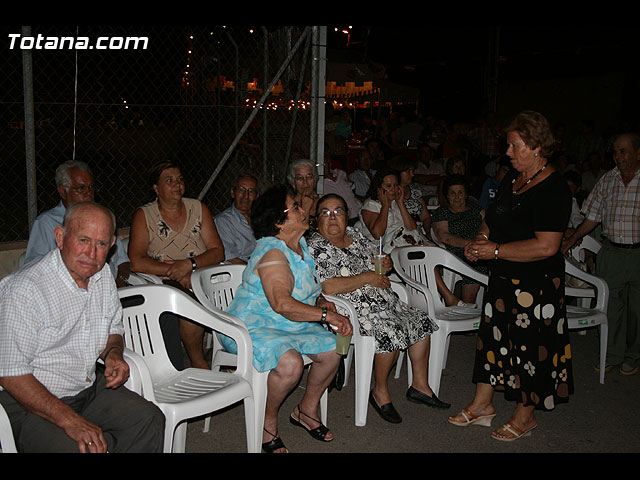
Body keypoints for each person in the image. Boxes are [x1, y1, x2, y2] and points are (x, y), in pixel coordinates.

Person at [0, 202, 165, 453]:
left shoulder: (102, 276)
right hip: (28, 402)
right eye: (84, 240)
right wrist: (70, 420)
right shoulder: (25, 290)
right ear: (60, 237)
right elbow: (11, 373)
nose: (91, 253)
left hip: (84, 387)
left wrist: (113, 354)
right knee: (80, 447)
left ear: (112, 245)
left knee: (148, 420)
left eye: (101, 244)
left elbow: (113, 328)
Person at [449, 110, 573, 442]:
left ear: (536, 147)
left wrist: (496, 251)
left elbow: (547, 245)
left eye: (514, 145)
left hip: (536, 284)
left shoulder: (554, 188)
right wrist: (481, 240)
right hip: (503, 278)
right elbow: (492, 218)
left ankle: (525, 414)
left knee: (531, 349)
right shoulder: (513, 180)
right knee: (493, 341)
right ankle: (482, 403)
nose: (507, 152)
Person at [219, 185, 351, 453]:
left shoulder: (299, 247)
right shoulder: (272, 253)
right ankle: (266, 424)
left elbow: (306, 291)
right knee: (290, 364)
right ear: (278, 222)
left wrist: (320, 302)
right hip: (251, 326)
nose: (304, 210)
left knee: (332, 350)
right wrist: (326, 315)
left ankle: (306, 410)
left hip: (288, 324)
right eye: (296, 206)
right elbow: (282, 303)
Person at [308, 194, 450, 424]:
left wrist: (385, 263)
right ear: (317, 220)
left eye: (338, 211)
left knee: (420, 319)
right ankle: (380, 390)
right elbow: (328, 286)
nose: (333, 217)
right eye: (326, 212)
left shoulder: (354, 235)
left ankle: (419, 386)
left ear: (346, 216)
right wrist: (368, 277)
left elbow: (376, 256)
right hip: (351, 309)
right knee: (390, 330)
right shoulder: (317, 245)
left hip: (383, 300)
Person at [128, 161, 225, 370]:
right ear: (156, 188)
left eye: (180, 179)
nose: (177, 184)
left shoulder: (198, 209)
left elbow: (217, 251)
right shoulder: (145, 216)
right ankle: (198, 362)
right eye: (169, 180)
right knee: (186, 299)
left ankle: (230, 352)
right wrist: (175, 271)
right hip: (162, 279)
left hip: (199, 273)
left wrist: (189, 265)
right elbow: (136, 261)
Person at [562, 133, 640, 376]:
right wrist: (572, 238)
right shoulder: (608, 179)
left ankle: (633, 355)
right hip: (612, 251)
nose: (618, 156)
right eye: (615, 152)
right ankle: (612, 354)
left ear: (638, 153)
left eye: (624, 151)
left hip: (637, 252)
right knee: (611, 305)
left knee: (636, 309)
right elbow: (592, 217)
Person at [24, 160, 131, 287]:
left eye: (91, 187)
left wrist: (119, 284)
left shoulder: (101, 219)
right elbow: (33, 267)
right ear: (63, 191)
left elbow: (123, 261)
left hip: (109, 287)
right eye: (81, 188)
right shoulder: (46, 223)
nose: (89, 193)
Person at [432, 174, 488, 306]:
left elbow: (490, 224)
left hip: (478, 248)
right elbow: (443, 236)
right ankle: (468, 304)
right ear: (447, 195)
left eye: (460, 192)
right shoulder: (443, 212)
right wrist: (470, 244)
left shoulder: (476, 210)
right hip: (454, 250)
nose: (456, 197)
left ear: (466, 194)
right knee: (472, 261)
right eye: (452, 193)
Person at [356, 167, 429, 253]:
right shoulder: (370, 205)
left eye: (396, 185)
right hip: (383, 250)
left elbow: (412, 227)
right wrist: (385, 206)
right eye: (388, 186)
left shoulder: (395, 202)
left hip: (405, 243)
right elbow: (377, 234)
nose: (393, 189)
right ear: (379, 188)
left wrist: (400, 203)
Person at [214, 173, 259, 264]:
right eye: (241, 190)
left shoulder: (259, 218)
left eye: (251, 191)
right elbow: (231, 258)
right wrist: (254, 270)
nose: (246, 196)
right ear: (233, 192)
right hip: (240, 269)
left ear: (256, 196)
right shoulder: (223, 221)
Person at [389, 155, 433, 238]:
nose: (412, 174)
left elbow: (426, 217)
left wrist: (428, 232)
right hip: (399, 235)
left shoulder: (415, 191)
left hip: (419, 233)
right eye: (408, 171)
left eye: (413, 171)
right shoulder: (391, 193)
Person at [321, 155, 362, 226]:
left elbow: (352, 190)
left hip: (358, 213)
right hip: (342, 218)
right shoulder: (319, 183)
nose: (324, 166)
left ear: (330, 163)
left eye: (326, 163)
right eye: (321, 164)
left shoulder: (340, 173)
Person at [287, 158, 320, 231]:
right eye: (300, 178)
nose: (305, 182)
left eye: (309, 177)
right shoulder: (288, 207)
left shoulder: (323, 203)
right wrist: (306, 210)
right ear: (293, 183)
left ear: (314, 181)